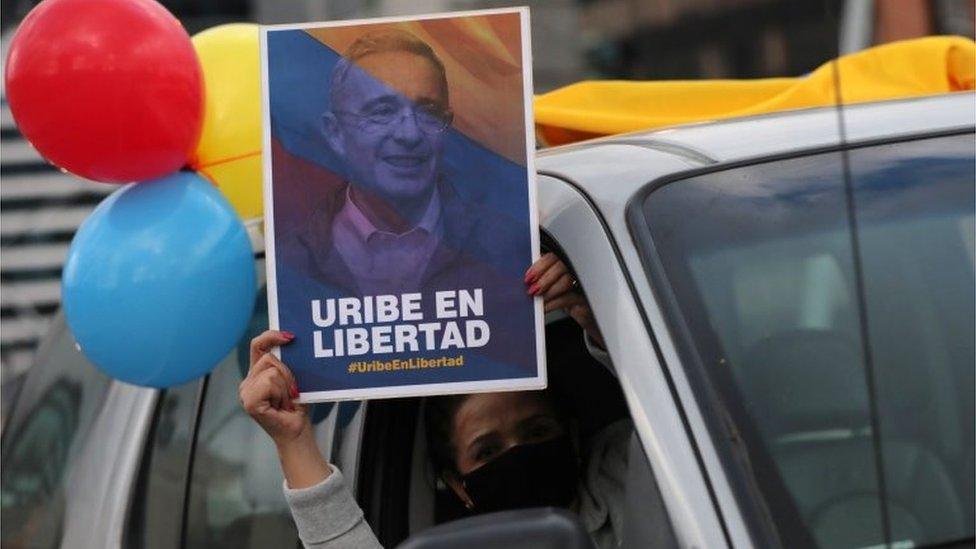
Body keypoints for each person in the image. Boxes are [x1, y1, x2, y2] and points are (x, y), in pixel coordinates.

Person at [241, 254, 630, 548]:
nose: (519, 453)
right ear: (458, 485)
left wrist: (596, 320)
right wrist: (293, 440)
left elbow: (678, 426)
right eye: (488, 450)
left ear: (574, 436)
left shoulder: (628, 480)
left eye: (538, 431)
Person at [284, 29, 526, 297]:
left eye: (428, 112)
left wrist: (576, 306)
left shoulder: (512, 248)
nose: (409, 134)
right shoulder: (289, 263)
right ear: (335, 133)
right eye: (383, 111)